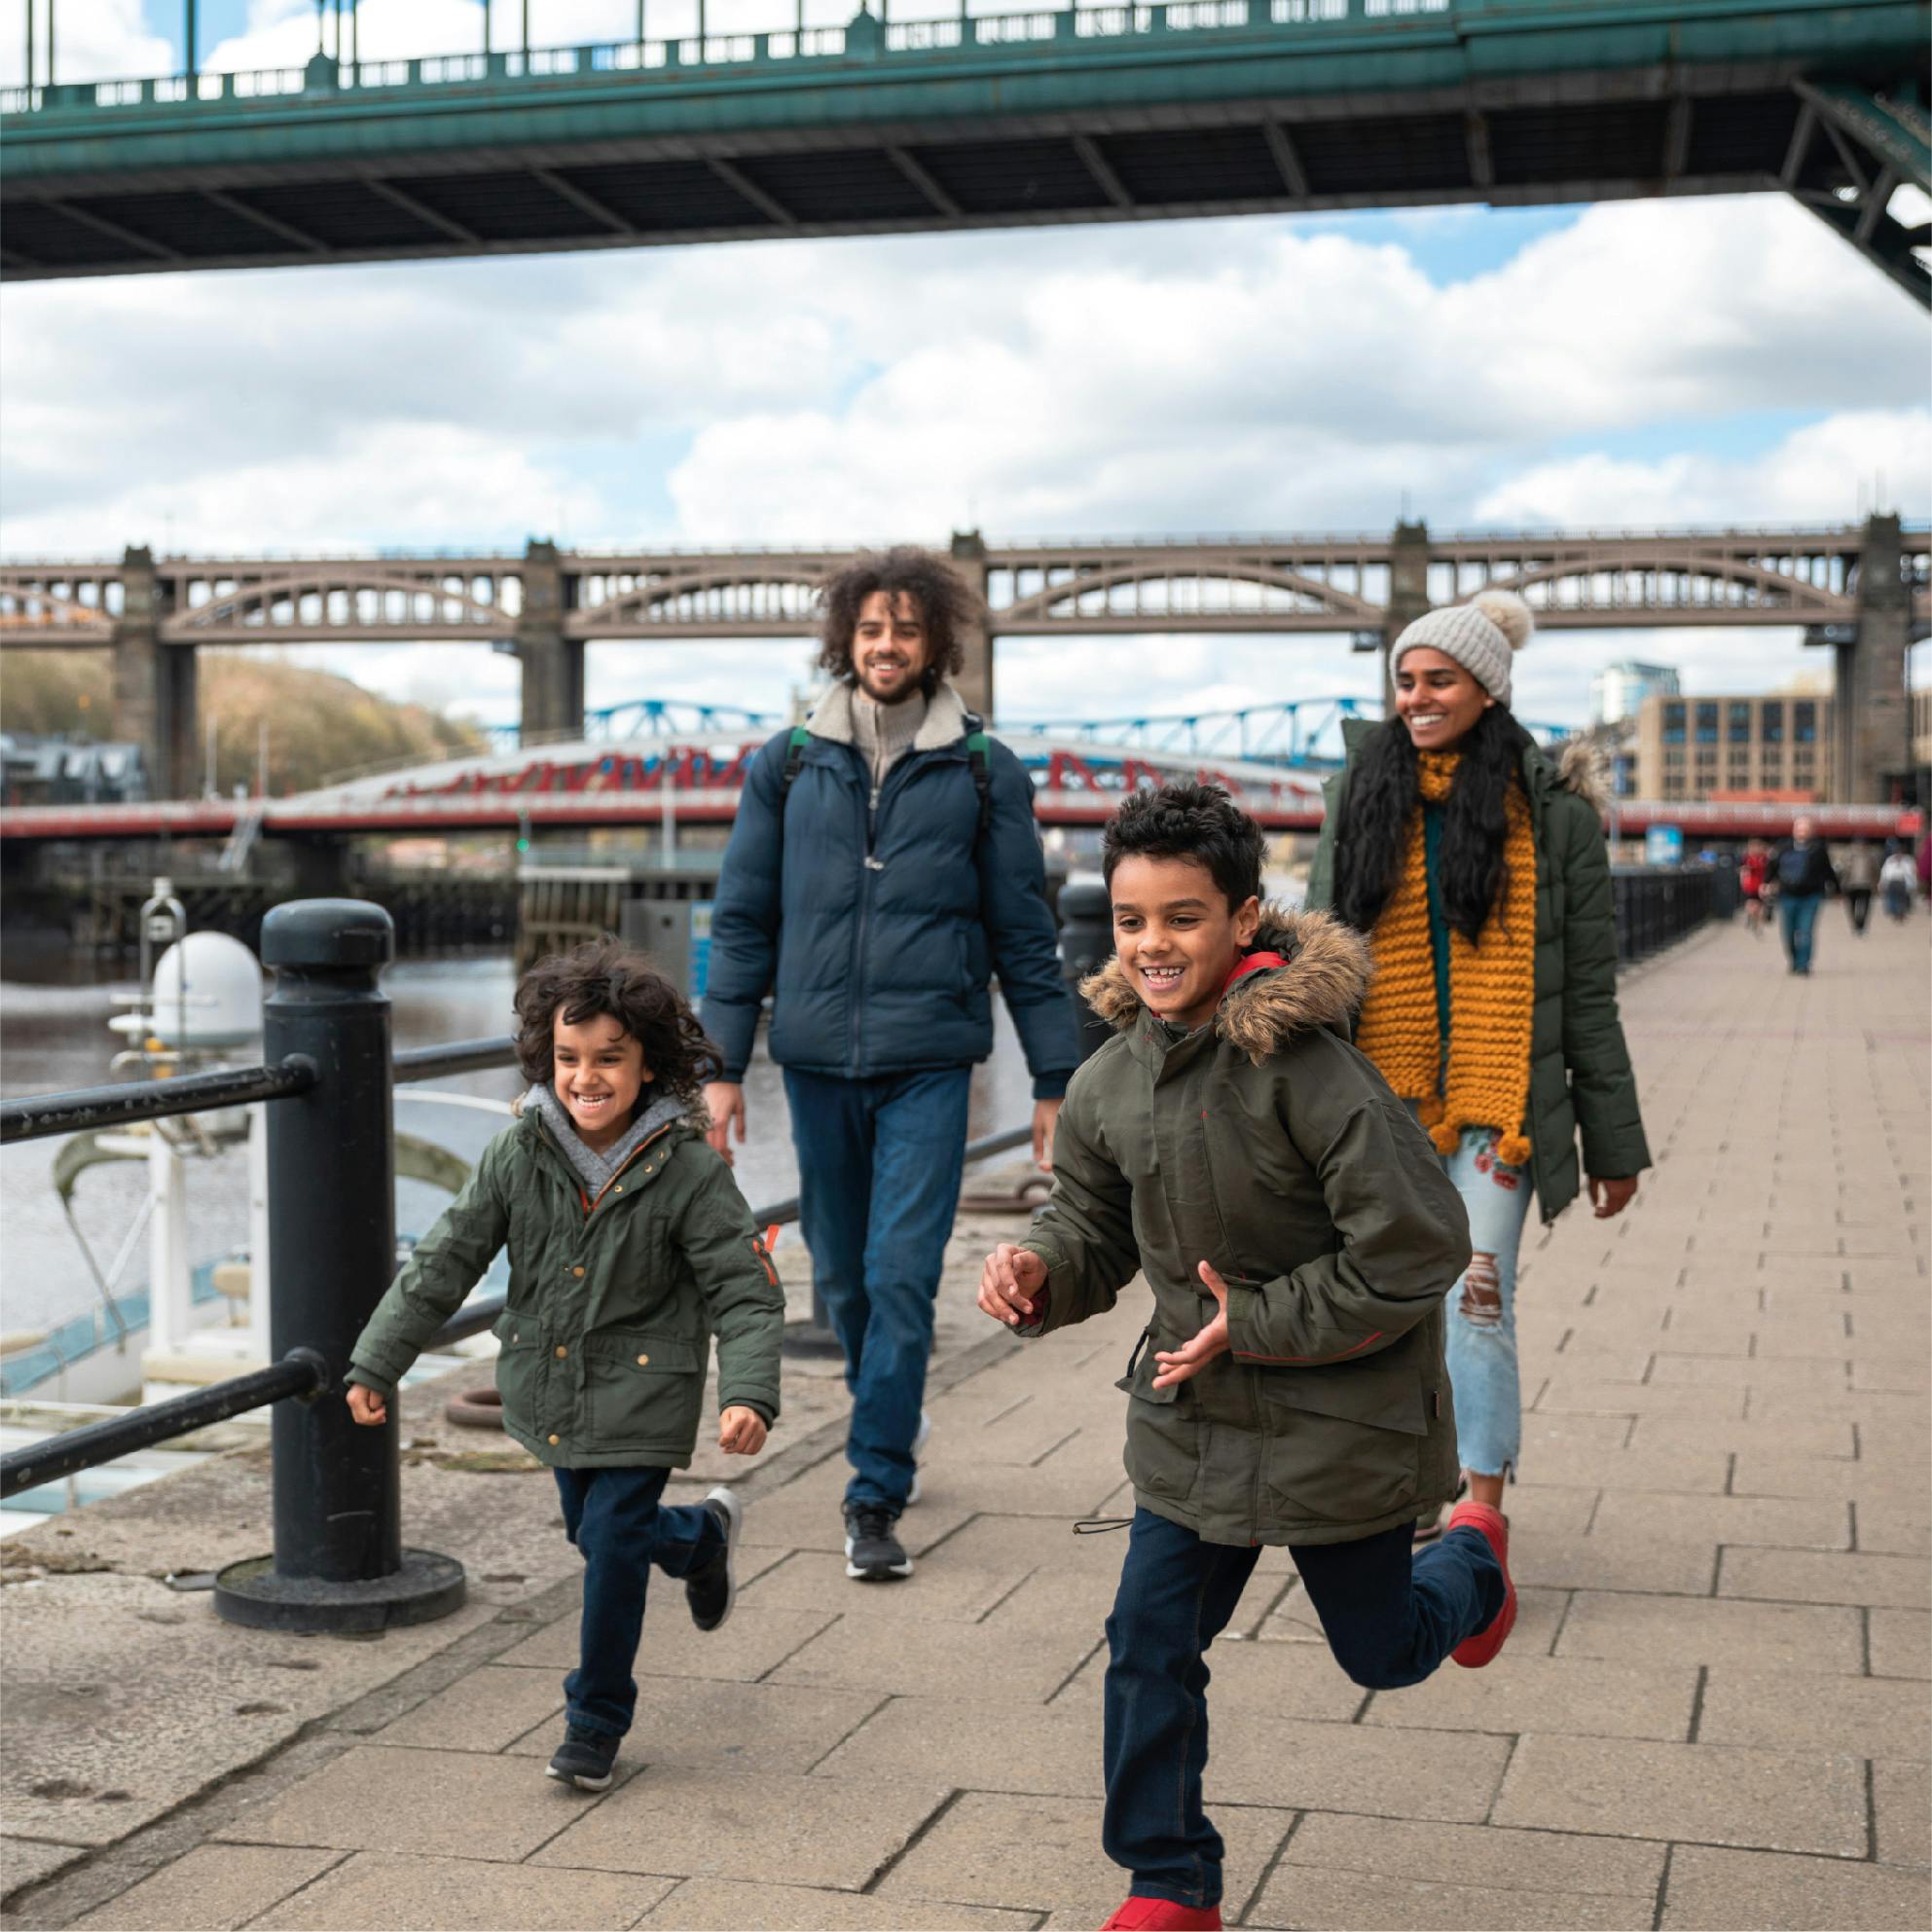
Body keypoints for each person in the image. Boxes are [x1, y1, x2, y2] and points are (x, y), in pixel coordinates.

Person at [978, 783, 1513, 1932]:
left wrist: (1256, 1320)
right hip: (1194, 1414)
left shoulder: (1314, 1071)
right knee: (1147, 1644)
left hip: (1341, 1416)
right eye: (1130, 919)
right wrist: (1038, 1271)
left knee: (1382, 1651)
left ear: (1242, 917)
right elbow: (1088, 1224)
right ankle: (1169, 1879)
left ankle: (1472, 1563)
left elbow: (1420, 1245)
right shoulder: (1110, 1078)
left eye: (1182, 916)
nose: (1151, 944)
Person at [702, 547, 1078, 1584]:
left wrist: (1053, 1079)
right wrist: (720, 1063)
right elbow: (741, 920)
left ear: (934, 643)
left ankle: (873, 1489)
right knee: (842, 1279)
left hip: (928, 1060)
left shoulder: (982, 768)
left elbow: (1024, 931)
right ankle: (889, 1413)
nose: (886, 643)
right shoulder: (786, 764)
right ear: (845, 639)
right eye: (870, 627)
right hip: (815, 1058)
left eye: (906, 628)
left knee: (901, 1274)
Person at [346, 939, 784, 1793]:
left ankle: (595, 1720)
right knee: (596, 1531)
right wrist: (378, 1358)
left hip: (646, 1390)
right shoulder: (518, 1153)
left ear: (648, 1064)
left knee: (611, 1543)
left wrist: (748, 1393)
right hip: (552, 1385)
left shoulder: (690, 1171)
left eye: (609, 1058)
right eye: (568, 1056)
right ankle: (698, 1538)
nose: (586, 1076)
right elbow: (445, 1258)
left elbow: (745, 1290)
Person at [1304, 589, 1649, 1534]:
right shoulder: (1357, 798)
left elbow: (1586, 994)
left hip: (1502, 1108)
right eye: (1404, 680)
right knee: (1389, 1297)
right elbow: (1317, 962)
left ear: (1487, 689)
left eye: (1438, 680)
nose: (1415, 697)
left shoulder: (1556, 818)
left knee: (1475, 1293)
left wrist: (1612, 1146)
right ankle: (1409, 1479)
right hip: (1379, 1104)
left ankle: (1478, 1507)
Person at [1770, 815, 1840, 975]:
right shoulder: (1783, 847)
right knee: (1788, 932)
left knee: (1805, 930)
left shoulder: (1818, 849)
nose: (1802, 831)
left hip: (1811, 896)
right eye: (1799, 828)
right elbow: (1773, 867)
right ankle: (1794, 960)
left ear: (1811, 831)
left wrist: (1837, 890)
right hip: (1788, 895)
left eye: (1805, 828)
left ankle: (1803, 964)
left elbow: (1827, 870)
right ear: (1793, 830)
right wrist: (1767, 883)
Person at [1841, 842, 1878, 935]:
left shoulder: (1851, 856)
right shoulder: (1870, 856)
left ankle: (1858, 925)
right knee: (1860, 906)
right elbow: (1876, 871)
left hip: (1860, 884)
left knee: (1856, 907)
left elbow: (1845, 871)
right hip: (1859, 884)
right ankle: (1859, 925)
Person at [1738, 839, 1770, 935]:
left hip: (1761, 885)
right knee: (1751, 904)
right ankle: (1751, 919)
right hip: (1750, 885)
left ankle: (1758, 925)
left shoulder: (1764, 859)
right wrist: (1743, 881)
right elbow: (1743, 871)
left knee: (1760, 906)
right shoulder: (1747, 859)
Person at [1879, 841, 1916, 922]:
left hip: (1902, 882)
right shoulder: (1890, 860)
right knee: (1892, 898)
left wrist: (1913, 883)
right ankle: (1895, 913)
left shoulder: (1908, 860)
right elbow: (1885, 872)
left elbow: (1911, 873)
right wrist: (1882, 882)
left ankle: (1901, 913)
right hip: (1892, 881)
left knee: (1902, 899)